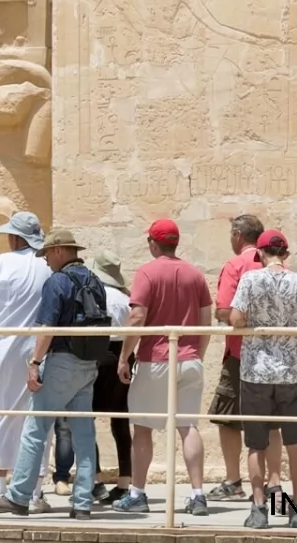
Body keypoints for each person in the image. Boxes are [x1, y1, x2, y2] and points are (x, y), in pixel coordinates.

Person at [0, 229, 105, 521]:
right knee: (84, 435)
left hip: (61, 362)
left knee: (35, 428)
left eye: (48, 254)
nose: (46, 261)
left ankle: (19, 496)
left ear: (59, 251)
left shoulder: (57, 281)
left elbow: (47, 327)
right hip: (88, 365)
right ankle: (83, 503)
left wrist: (35, 362)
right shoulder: (95, 281)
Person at [229, 229, 297, 529]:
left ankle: (259, 509)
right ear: (285, 254)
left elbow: (236, 318)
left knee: (256, 445)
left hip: (255, 372)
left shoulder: (250, 279)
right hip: (289, 373)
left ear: (260, 253)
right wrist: (295, 319)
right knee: (295, 444)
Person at [113, 219, 212, 516]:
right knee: (188, 426)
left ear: (153, 244)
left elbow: (136, 317)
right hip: (190, 358)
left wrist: (124, 357)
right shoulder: (195, 275)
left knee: (143, 428)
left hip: (156, 358)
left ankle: (137, 493)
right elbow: (205, 323)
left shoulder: (147, 272)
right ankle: (198, 495)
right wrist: (197, 354)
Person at [0, 211, 52, 514]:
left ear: (16, 238)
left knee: (0, 413)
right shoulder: (47, 265)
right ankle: (35, 492)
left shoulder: (0, 263)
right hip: (36, 349)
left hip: (1, 348)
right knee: (37, 418)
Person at [208, 215, 286, 503]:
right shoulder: (282, 269)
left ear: (238, 235)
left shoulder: (236, 266)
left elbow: (224, 310)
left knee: (228, 418)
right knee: (272, 422)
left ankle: (233, 480)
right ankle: (274, 482)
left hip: (240, 354)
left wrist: (238, 316)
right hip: (275, 355)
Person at [89, 250, 132, 505]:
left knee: (85, 418)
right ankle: (124, 482)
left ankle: (95, 481)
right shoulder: (127, 298)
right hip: (124, 355)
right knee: (121, 421)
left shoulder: (96, 295)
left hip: (98, 353)